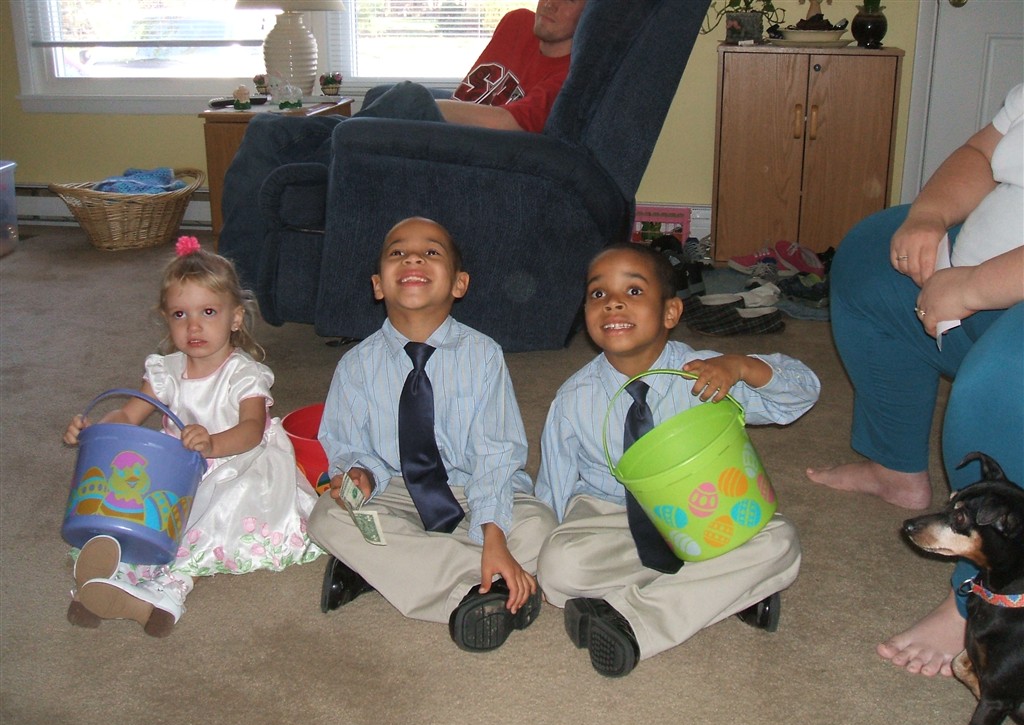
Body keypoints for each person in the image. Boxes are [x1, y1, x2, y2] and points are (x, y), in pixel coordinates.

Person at [806, 83, 1023, 676]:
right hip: (973, 284)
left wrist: (973, 286)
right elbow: (980, 154)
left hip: (999, 298)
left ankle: (982, 596)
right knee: (869, 256)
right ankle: (895, 467)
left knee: (997, 389)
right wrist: (929, 217)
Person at [534, 243, 820, 677]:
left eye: (633, 291)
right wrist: (534, 554)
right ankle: (732, 590)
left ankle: (632, 622)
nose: (613, 302)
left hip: (710, 509)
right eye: (598, 294)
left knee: (780, 541)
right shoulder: (573, 398)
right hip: (612, 514)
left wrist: (742, 366)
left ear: (670, 312)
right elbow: (553, 484)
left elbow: (802, 393)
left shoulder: (707, 373)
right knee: (558, 569)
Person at [307, 217, 555, 652]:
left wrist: (493, 534)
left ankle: (382, 570)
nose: (413, 258)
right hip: (396, 491)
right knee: (327, 517)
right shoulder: (355, 366)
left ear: (460, 284)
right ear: (378, 285)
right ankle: (481, 588)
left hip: (473, 492)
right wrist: (359, 474)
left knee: (541, 529)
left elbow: (497, 456)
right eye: (397, 252)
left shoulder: (484, 356)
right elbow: (347, 447)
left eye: (431, 252)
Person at [219, 0, 588, 287]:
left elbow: (508, 123)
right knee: (267, 128)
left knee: (408, 97)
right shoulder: (516, 24)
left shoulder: (571, 74)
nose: (551, 3)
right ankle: (231, 284)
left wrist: (422, 104)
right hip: (431, 141)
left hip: (469, 166)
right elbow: (471, 98)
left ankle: (320, 173)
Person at [63, 236, 322, 637]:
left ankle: (170, 591)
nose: (194, 326)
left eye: (208, 312)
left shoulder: (243, 373)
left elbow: (252, 430)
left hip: (238, 464)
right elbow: (129, 414)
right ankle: (110, 576)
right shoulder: (165, 370)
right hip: (178, 470)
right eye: (180, 314)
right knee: (136, 509)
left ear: (236, 318)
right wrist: (97, 429)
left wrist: (213, 444)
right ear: (166, 318)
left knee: (210, 516)